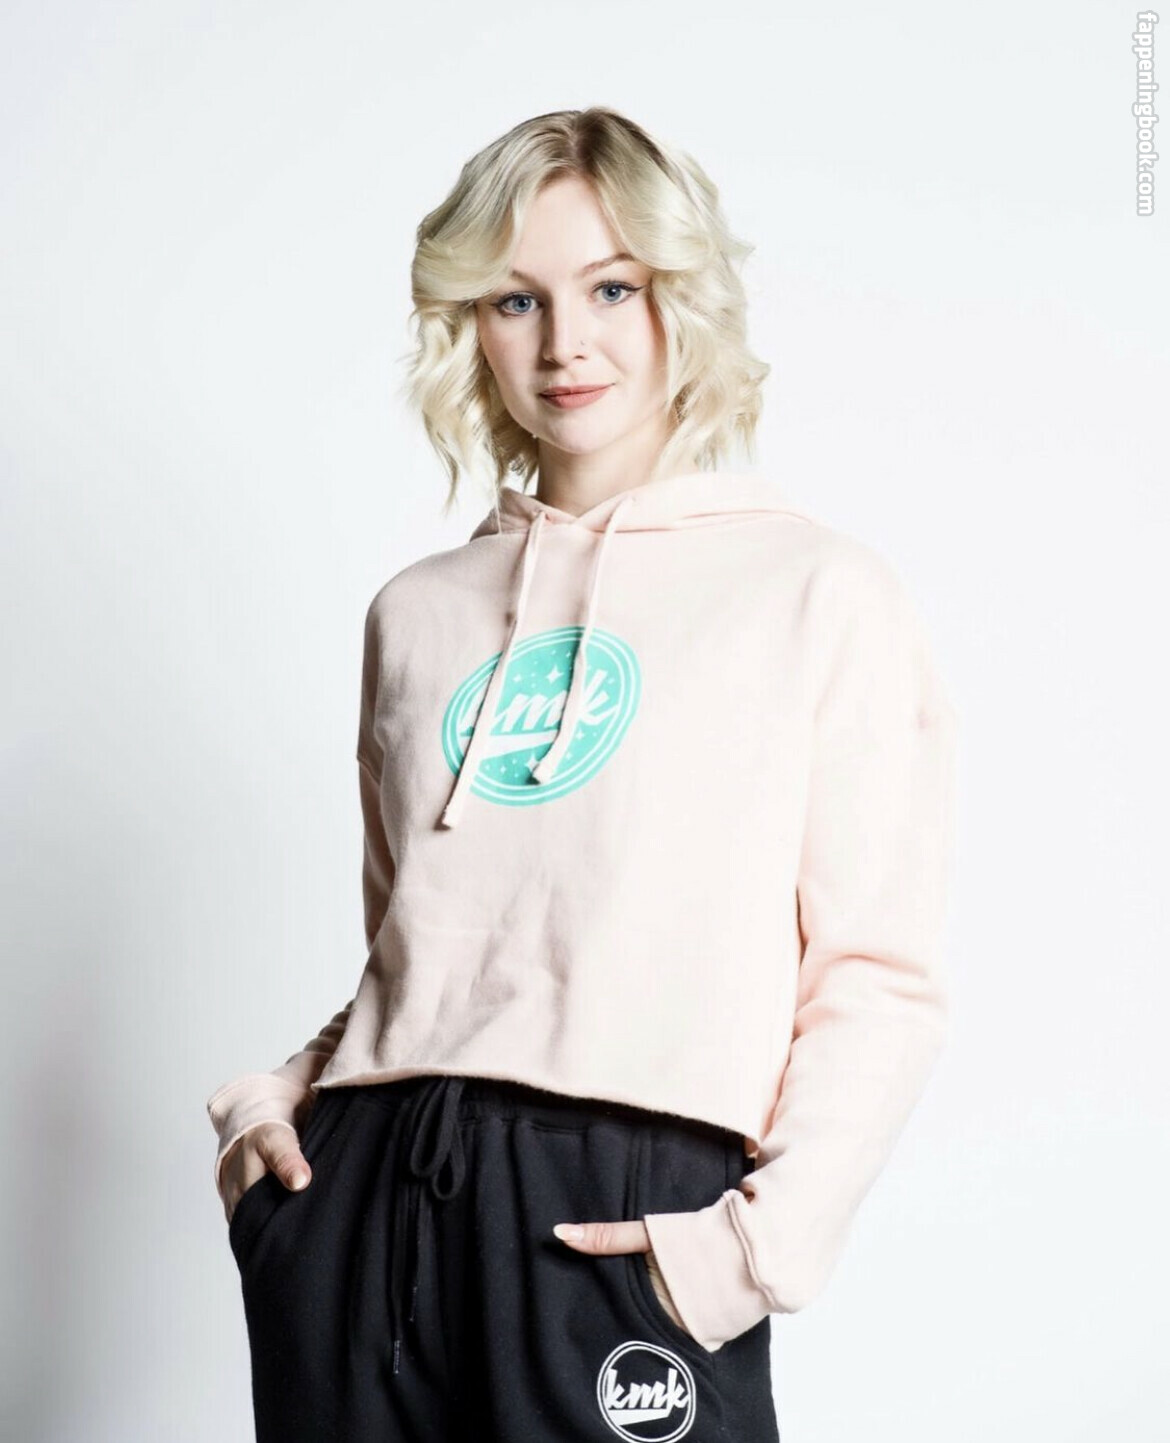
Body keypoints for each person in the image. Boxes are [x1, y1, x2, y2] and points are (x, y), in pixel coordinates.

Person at [206, 106, 959, 1443]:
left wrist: (751, 1251)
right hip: (364, 1200)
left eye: (611, 287)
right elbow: (416, 957)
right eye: (516, 299)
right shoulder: (417, 614)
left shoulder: (813, 591)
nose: (564, 342)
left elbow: (874, 976)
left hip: (619, 1207)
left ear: (681, 296)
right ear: (469, 325)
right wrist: (274, 1114)